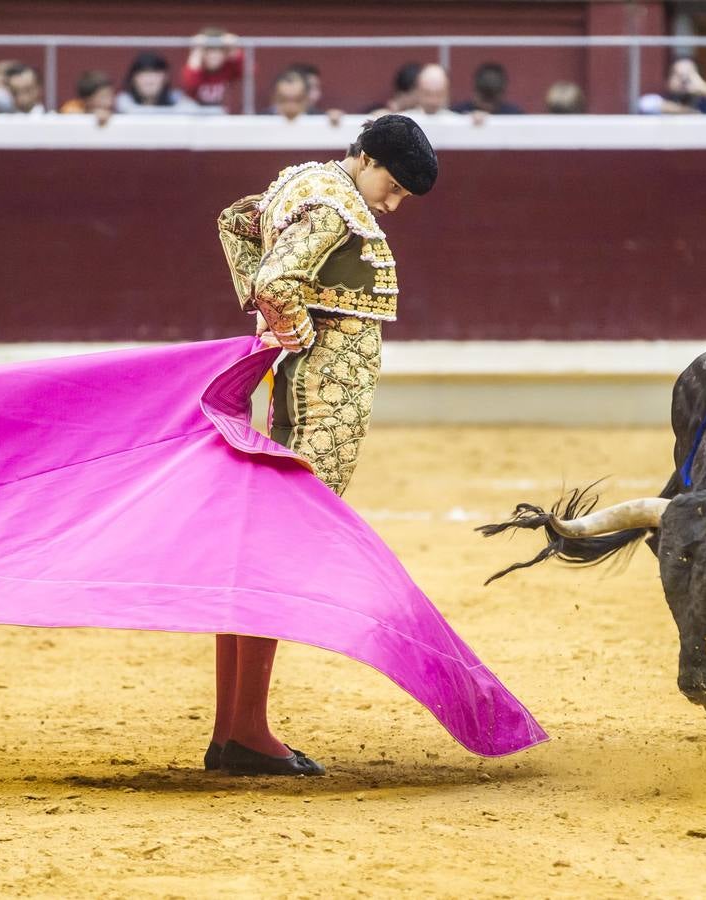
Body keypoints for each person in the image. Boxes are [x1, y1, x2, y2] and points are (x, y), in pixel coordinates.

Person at [211, 115, 438, 775]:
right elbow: (277, 282)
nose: (392, 204)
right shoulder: (337, 207)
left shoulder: (303, 185)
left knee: (259, 556)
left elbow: (234, 221)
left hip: (298, 395)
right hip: (317, 406)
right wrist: (295, 334)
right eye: (391, 186)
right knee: (278, 556)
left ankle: (234, 731)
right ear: (363, 157)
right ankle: (247, 734)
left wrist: (266, 333)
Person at [114, 51, 198, 114]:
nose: (149, 81)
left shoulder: (177, 99)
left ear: (166, 78)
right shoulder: (123, 101)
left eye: (155, 74)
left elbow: (194, 110)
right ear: (133, 79)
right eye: (144, 74)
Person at [182, 27, 243, 108]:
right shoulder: (197, 69)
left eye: (219, 51)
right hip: (196, 117)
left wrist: (233, 48)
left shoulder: (228, 68)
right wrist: (196, 51)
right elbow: (190, 84)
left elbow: (248, 69)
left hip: (223, 116)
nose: (214, 56)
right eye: (209, 51)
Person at [451, 62, 523, 115]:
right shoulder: (458, 114)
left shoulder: (514, 116)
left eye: (491, 101)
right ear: (475, 93)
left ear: (502, 95)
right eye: (485, 99)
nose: (487, 108)